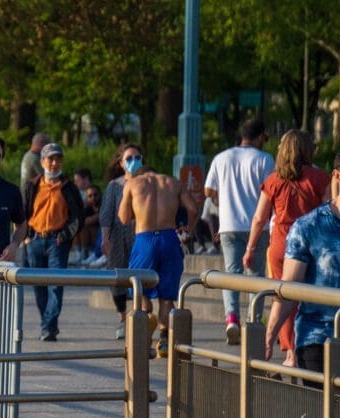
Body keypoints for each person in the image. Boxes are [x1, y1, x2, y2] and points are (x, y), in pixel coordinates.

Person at [242, 130, 329, 367]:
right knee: (308, 297)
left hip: (280, 244)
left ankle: (289, 352)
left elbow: (259, 218)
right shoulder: (319, 177)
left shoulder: (273, 180)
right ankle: (303, 346)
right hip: (312, 245)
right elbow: (329, 212)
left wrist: (250, 248)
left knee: (283, 295)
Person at [204, 119, 275, 344]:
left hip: (229, 225)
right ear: (259, 136)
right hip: (258, 226)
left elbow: (208, 190)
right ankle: (253, 322)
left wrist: (222, 200)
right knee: (255, 277)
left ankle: (232, 319)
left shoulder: (221, 158)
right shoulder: (264, 159)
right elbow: (271, 193)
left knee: (231, 273)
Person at [118, 163, 198, 357]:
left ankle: (146, 315)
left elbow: (123, 217)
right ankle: (163, 339)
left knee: (139, 288)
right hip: (169, 239)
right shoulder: (174, 183)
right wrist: (189, 230)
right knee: (167, 295)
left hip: (144, 238)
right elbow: (193, 209)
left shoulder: (133, 184)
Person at [265, 191, 340, 379]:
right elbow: (289, 288)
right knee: (323, 408)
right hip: (319, 339)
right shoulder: (309, 226)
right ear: (338, 176)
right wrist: (268, 338)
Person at [23, 143, 84, 341]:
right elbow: (21, 213)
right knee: (39, 286)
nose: (55, 163)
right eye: (50, 159)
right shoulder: (32, 185)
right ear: (42, 162)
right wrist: (24, 236)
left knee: (56, 286)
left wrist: (65, 236)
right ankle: (48, 326)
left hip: (57, 241)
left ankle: (48, 327)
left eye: (58, 158)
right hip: (35, 240)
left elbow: (78, 217)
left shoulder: (69, 187)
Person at [99, 145, 141, 339]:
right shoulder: (114, 186)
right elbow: (106, 214)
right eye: (129, 158)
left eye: (137, 157)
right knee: (117, 277)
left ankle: (139, 319)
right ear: (121, 163)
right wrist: (105, 238)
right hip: (118, 235)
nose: (134, 161)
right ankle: (123, 317)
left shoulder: (147, 183)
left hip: (141, 234)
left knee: (140, 277)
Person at [19, 132, 51, 202]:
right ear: (41, 144)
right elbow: (48, 176)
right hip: (31, 195)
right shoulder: (35, 159)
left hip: (25, 193)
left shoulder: (27, 155)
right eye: (46, 146)